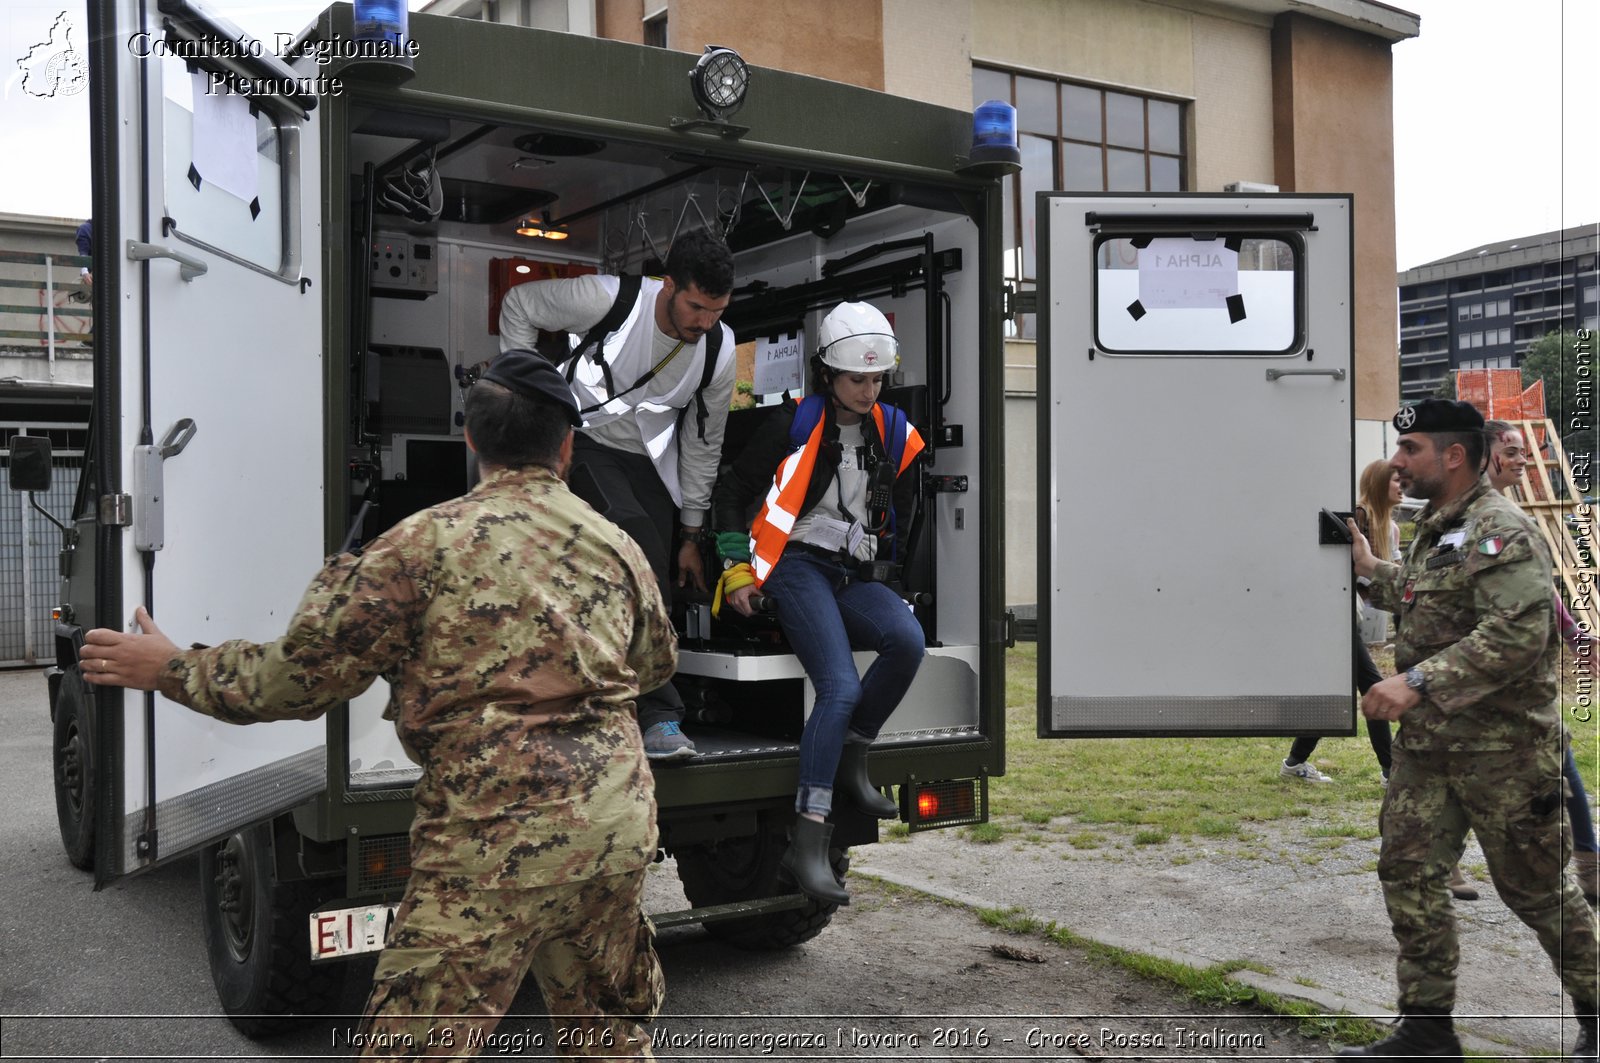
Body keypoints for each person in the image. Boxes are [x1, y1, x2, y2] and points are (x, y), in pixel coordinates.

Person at [79, 351, 675, 1059]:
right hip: (614, 832)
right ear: (567, 447)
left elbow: (294, 681)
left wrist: (170, 667)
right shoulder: (619, 547)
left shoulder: (418, 546)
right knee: (607, 1038)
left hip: (492, 844)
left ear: (472, 440)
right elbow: (653, 662)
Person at [1340, 399, 1598, 1060]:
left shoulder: (1502, 527)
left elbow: (1517, 631)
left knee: (1538, 892)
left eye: (1412, 449)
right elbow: (1430, 594)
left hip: (1504, 751)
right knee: (1410, 870)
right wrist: (1371, 570)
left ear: (1453, 455)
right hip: (1431, 749)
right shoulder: (1437, 523)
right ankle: (1427, 1027)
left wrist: (1417, 681)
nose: (1398, 462)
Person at [710, 302, 926, 906]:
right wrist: (735, 570)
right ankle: (807, 841)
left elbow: (903, 522)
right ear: (827, 374)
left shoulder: (895, 434)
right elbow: (731, 491)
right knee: (838, 685)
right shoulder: (793, 424)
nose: (868, 389)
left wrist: (895, 588)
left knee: (907, 642)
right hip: (794, 567)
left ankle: (856, 753)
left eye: (877, 378)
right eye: (856, 378)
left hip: (852, 572)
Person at [499, 228, 736, 761]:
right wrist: (526, 403)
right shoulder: (610, 300)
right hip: (579, 439)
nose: (705, 323)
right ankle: (659, 713)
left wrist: (692, 532)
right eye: (696, 306)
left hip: (647, 461)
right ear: (667, 285)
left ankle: (611, 696)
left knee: (652, 566)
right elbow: (519, 303)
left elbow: (704, 441)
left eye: (717, 311)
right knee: (636, 535)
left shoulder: (718, 350)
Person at [1484, 418, 1600, 905]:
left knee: (1557, 757)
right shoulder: (1463, 514)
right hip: (1471, 668)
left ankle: (1590, 864)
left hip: (1516, 668)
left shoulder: (1509, 513)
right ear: (1481, 452)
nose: (1521, 458)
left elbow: (1543, 591)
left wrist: (1578, 637)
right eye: (1510, 450)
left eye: (1521, 450)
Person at [1278, 459, 1398, 786]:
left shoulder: (1391, 526)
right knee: (1373, 687)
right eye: (1395, 479)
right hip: (1333, 616)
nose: (1402, 484)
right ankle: (1391, 771)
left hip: (1349, 617)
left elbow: (1382, 583)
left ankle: (1294, 762)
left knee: (1332, 689)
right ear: (1378, 483)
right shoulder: (1358, 518)